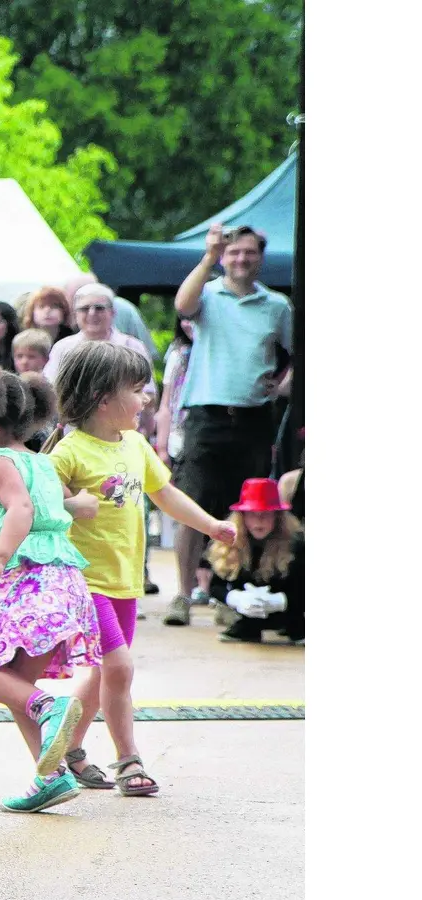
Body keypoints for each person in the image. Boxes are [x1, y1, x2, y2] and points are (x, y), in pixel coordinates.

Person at [44, 341, 237, 798]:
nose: (146, 398)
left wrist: (209, 524)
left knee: (104, 672)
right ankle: (128, 759)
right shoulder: (68, 454)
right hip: (85, 581)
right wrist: (72, 503)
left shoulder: (134, 444)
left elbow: (165, 494)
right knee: (120, 667)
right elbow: (37, 508)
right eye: (137, 390)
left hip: (125, 580)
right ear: (102, 399)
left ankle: (65, 747)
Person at [0, 362, 101, 812]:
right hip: (64, 583)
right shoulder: (39, 462)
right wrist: (79, 504)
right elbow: (48, 504)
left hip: (28, 580)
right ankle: (50, 775)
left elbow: (22, 508)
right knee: (17, 684)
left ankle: (51, 710)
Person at [166, 224, 293, 628]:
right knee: (193, 504)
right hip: (208, 414)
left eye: (249, 253)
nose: (241, 259)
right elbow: (182, 306)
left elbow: (296, 351)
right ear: (224, 256)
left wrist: (283, 383)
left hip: (254, 417)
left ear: (260, 257)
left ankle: (228, 592)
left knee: (243, 510)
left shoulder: (276, 306)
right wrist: (207, 257)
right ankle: (183, 594)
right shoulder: (208, 294)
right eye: (234, 252)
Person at [208, 479, 303, 645]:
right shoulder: (231, 543)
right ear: (242, 517)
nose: (259, 521)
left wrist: (280, 601)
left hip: (292, 611)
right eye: (253, 514)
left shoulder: (297, 545)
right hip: (247, 613)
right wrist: (236, 598)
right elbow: (215, 585)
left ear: (277, 517)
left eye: (265, 515)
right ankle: (247, 627)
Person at [155, 316, 203, 624]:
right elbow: (166, 403)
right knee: (186, 511)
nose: (189, 324)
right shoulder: (178, 352)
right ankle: (184, 590)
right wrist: (161, 447)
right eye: (183, 318)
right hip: (183, 439)